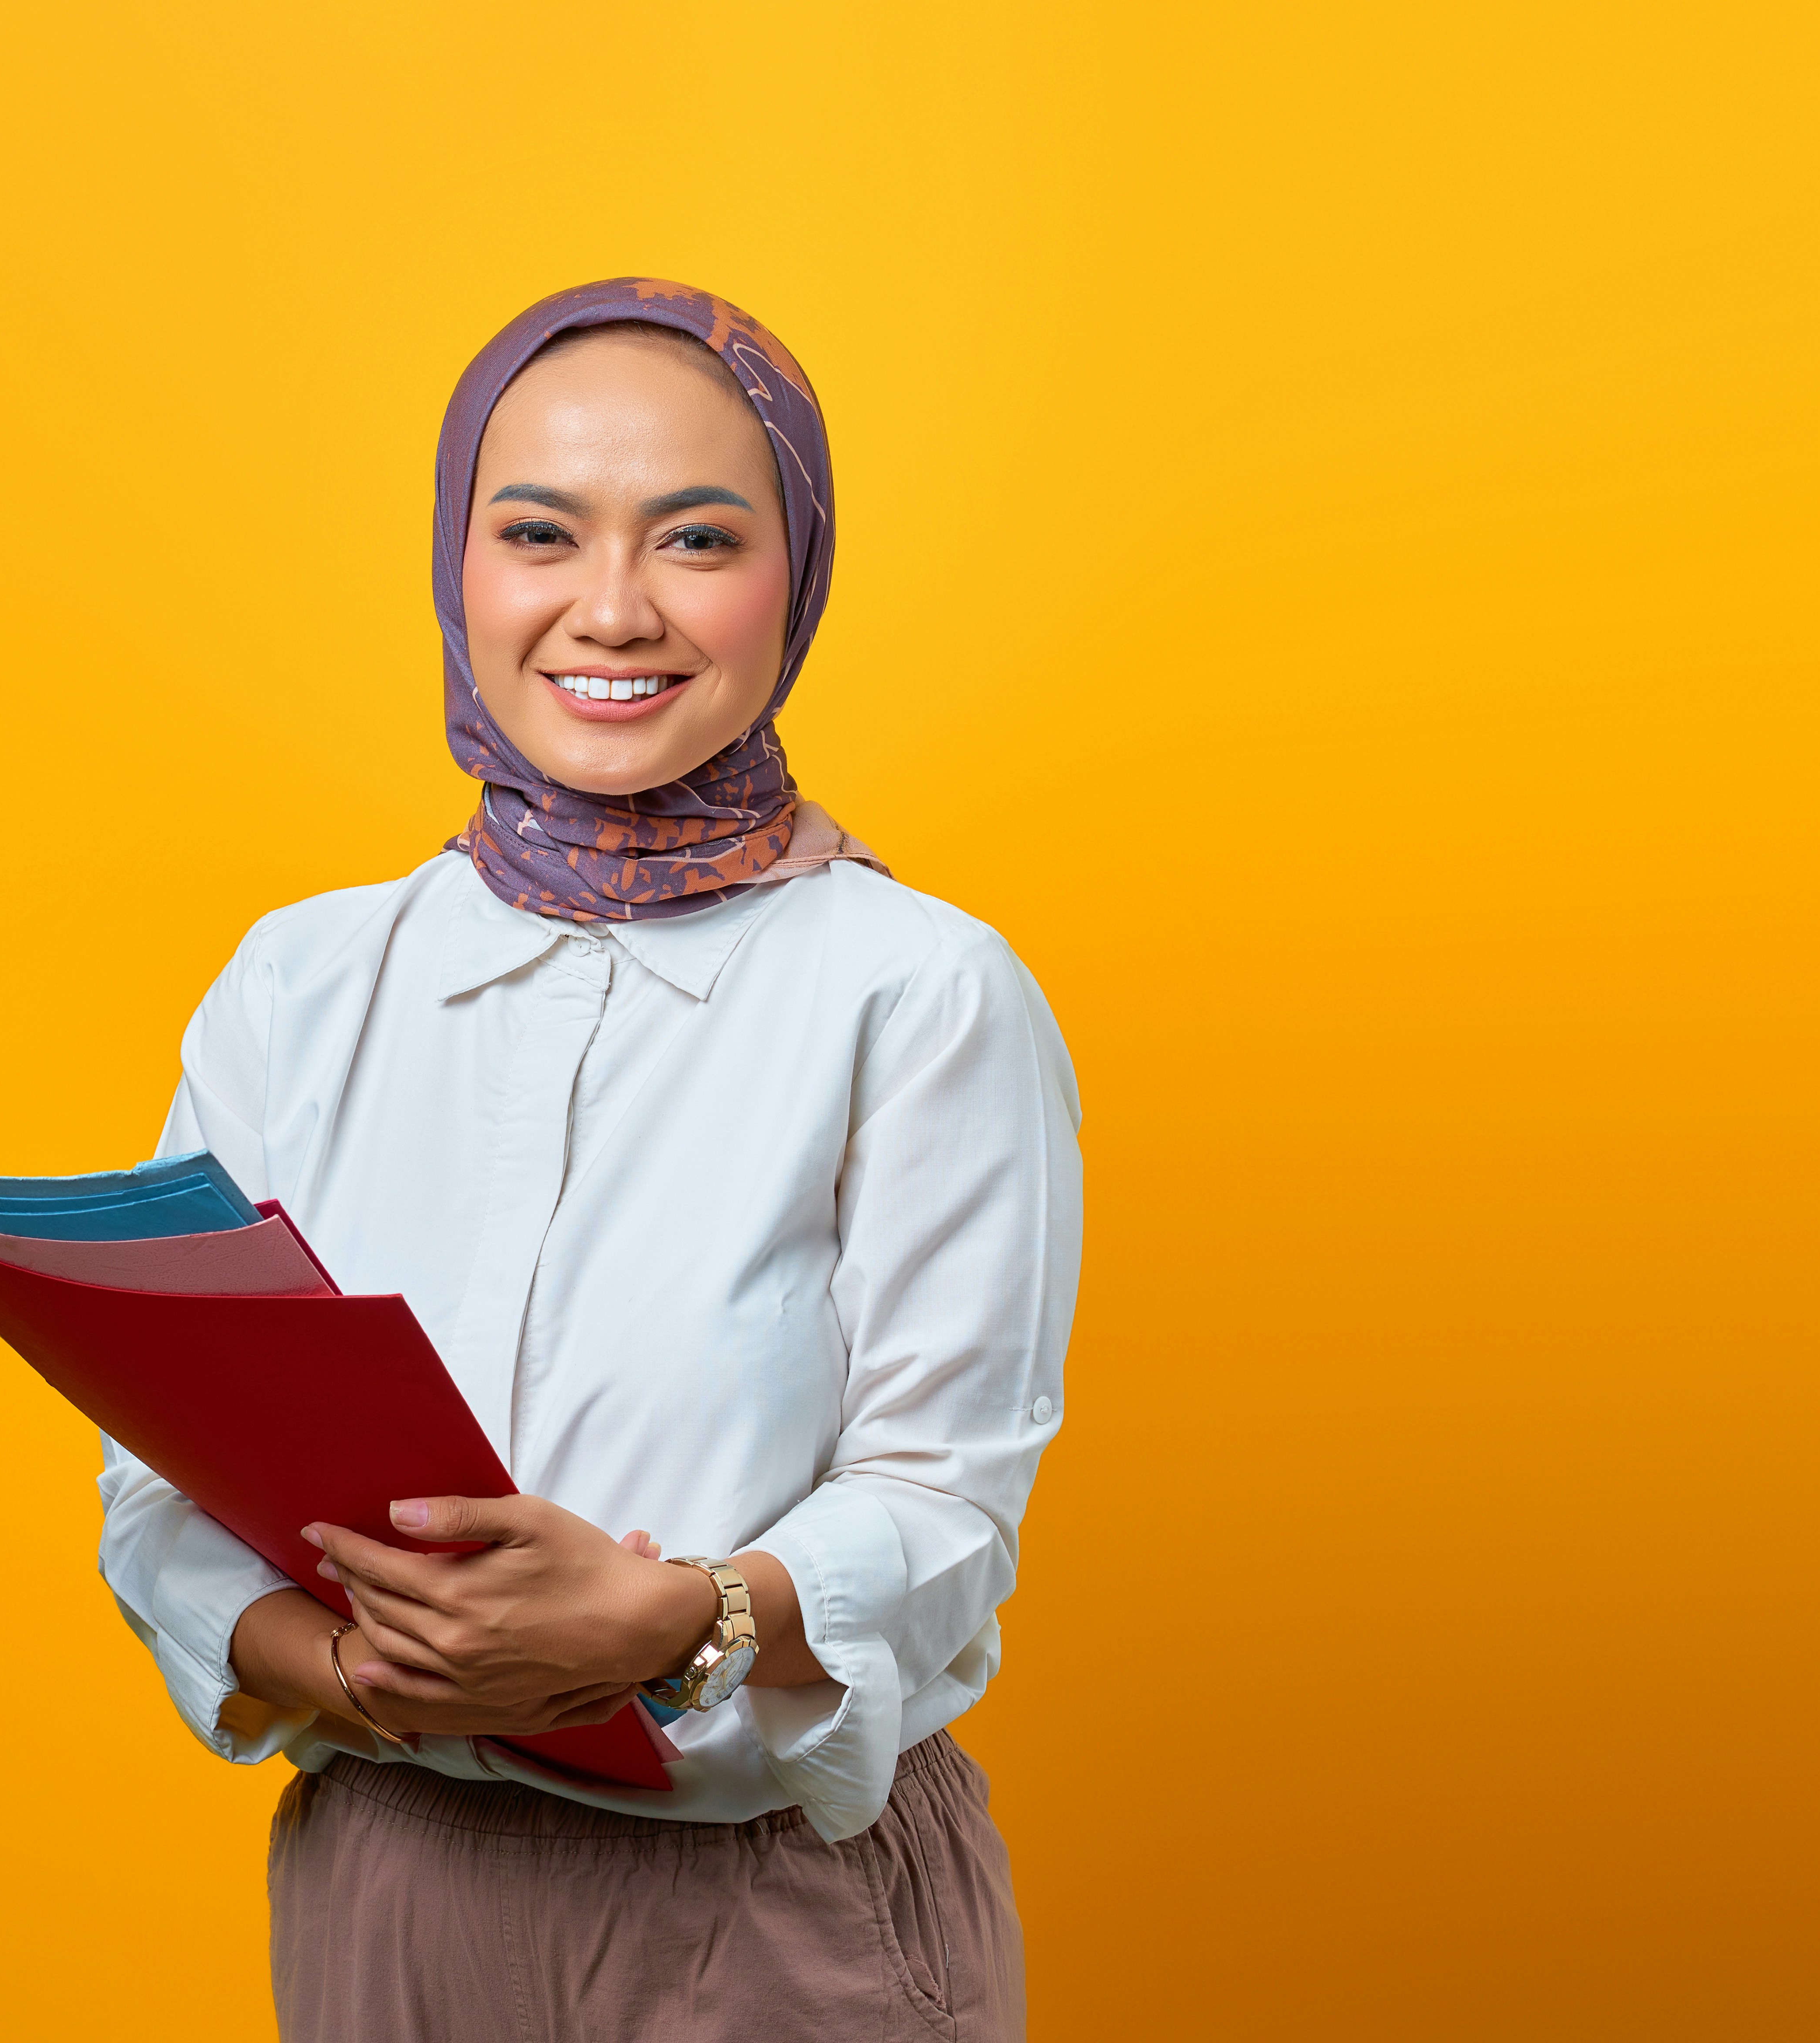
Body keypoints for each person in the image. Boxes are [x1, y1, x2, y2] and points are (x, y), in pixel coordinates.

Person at [98, 278, 1082, 2040]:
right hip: (385, 1880)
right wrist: (337, 1667)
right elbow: (161, 1482)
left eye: (697, 538)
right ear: (455, 563)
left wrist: (671, 1621)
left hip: (776, 1911)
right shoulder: (299, 983)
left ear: (798, 575)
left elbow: (947, 1504)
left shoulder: (921, 989)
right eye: (537, 531)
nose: (609, 609)